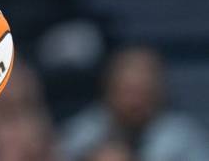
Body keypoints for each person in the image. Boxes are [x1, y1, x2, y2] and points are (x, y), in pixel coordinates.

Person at [60, 46, 209, 161]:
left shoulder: (183, 137)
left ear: (160, 93)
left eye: (144, 93)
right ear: (109, 91)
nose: (135, 102)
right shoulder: (81, 134)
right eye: (128, 91)